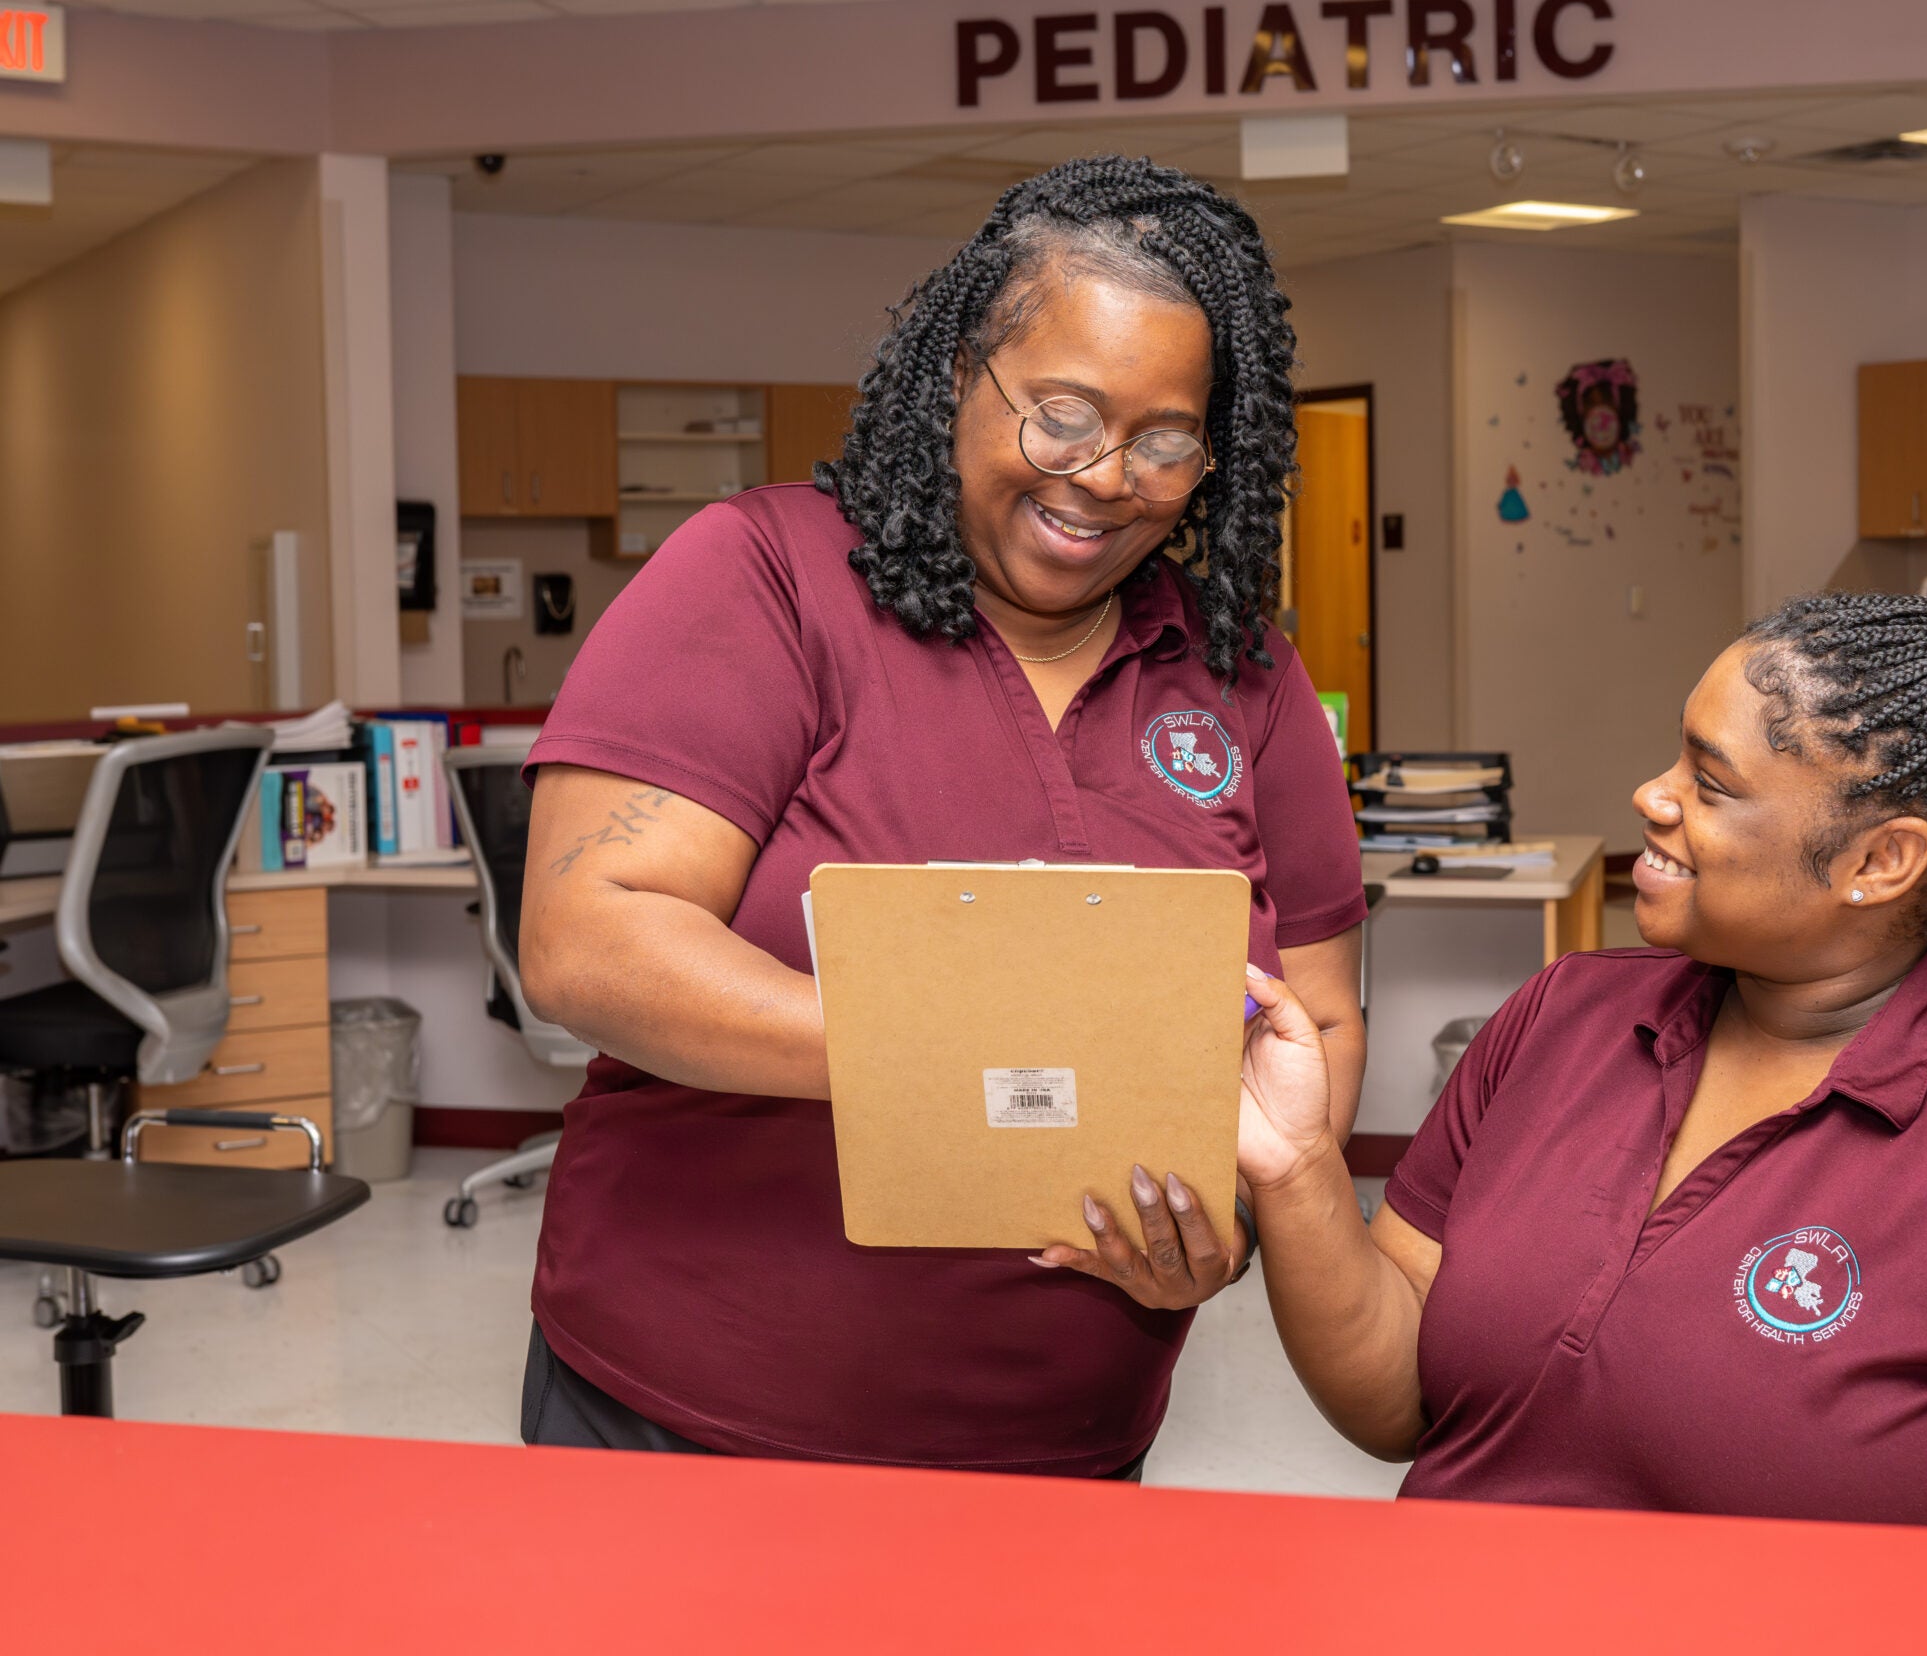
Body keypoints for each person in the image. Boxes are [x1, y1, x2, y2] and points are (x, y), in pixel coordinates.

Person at [514, 157, 1367, 1473]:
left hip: (1060, 1449)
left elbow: (1318, 1008)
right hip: (696, 1422)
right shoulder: (767, 578)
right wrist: (970, 1052)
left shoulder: (1243, 670)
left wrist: (1242, 1219)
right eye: (1064, 415)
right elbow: (590, 936)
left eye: (1164, 441)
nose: (1102, 477)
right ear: (959, 374)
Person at [1159, 581, 1927, 1535]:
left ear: (1880, 859)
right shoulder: (1559, 1021)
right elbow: (1399, 1398)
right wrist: (1297, 1167)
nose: (1652, 797)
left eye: (1712, 783)